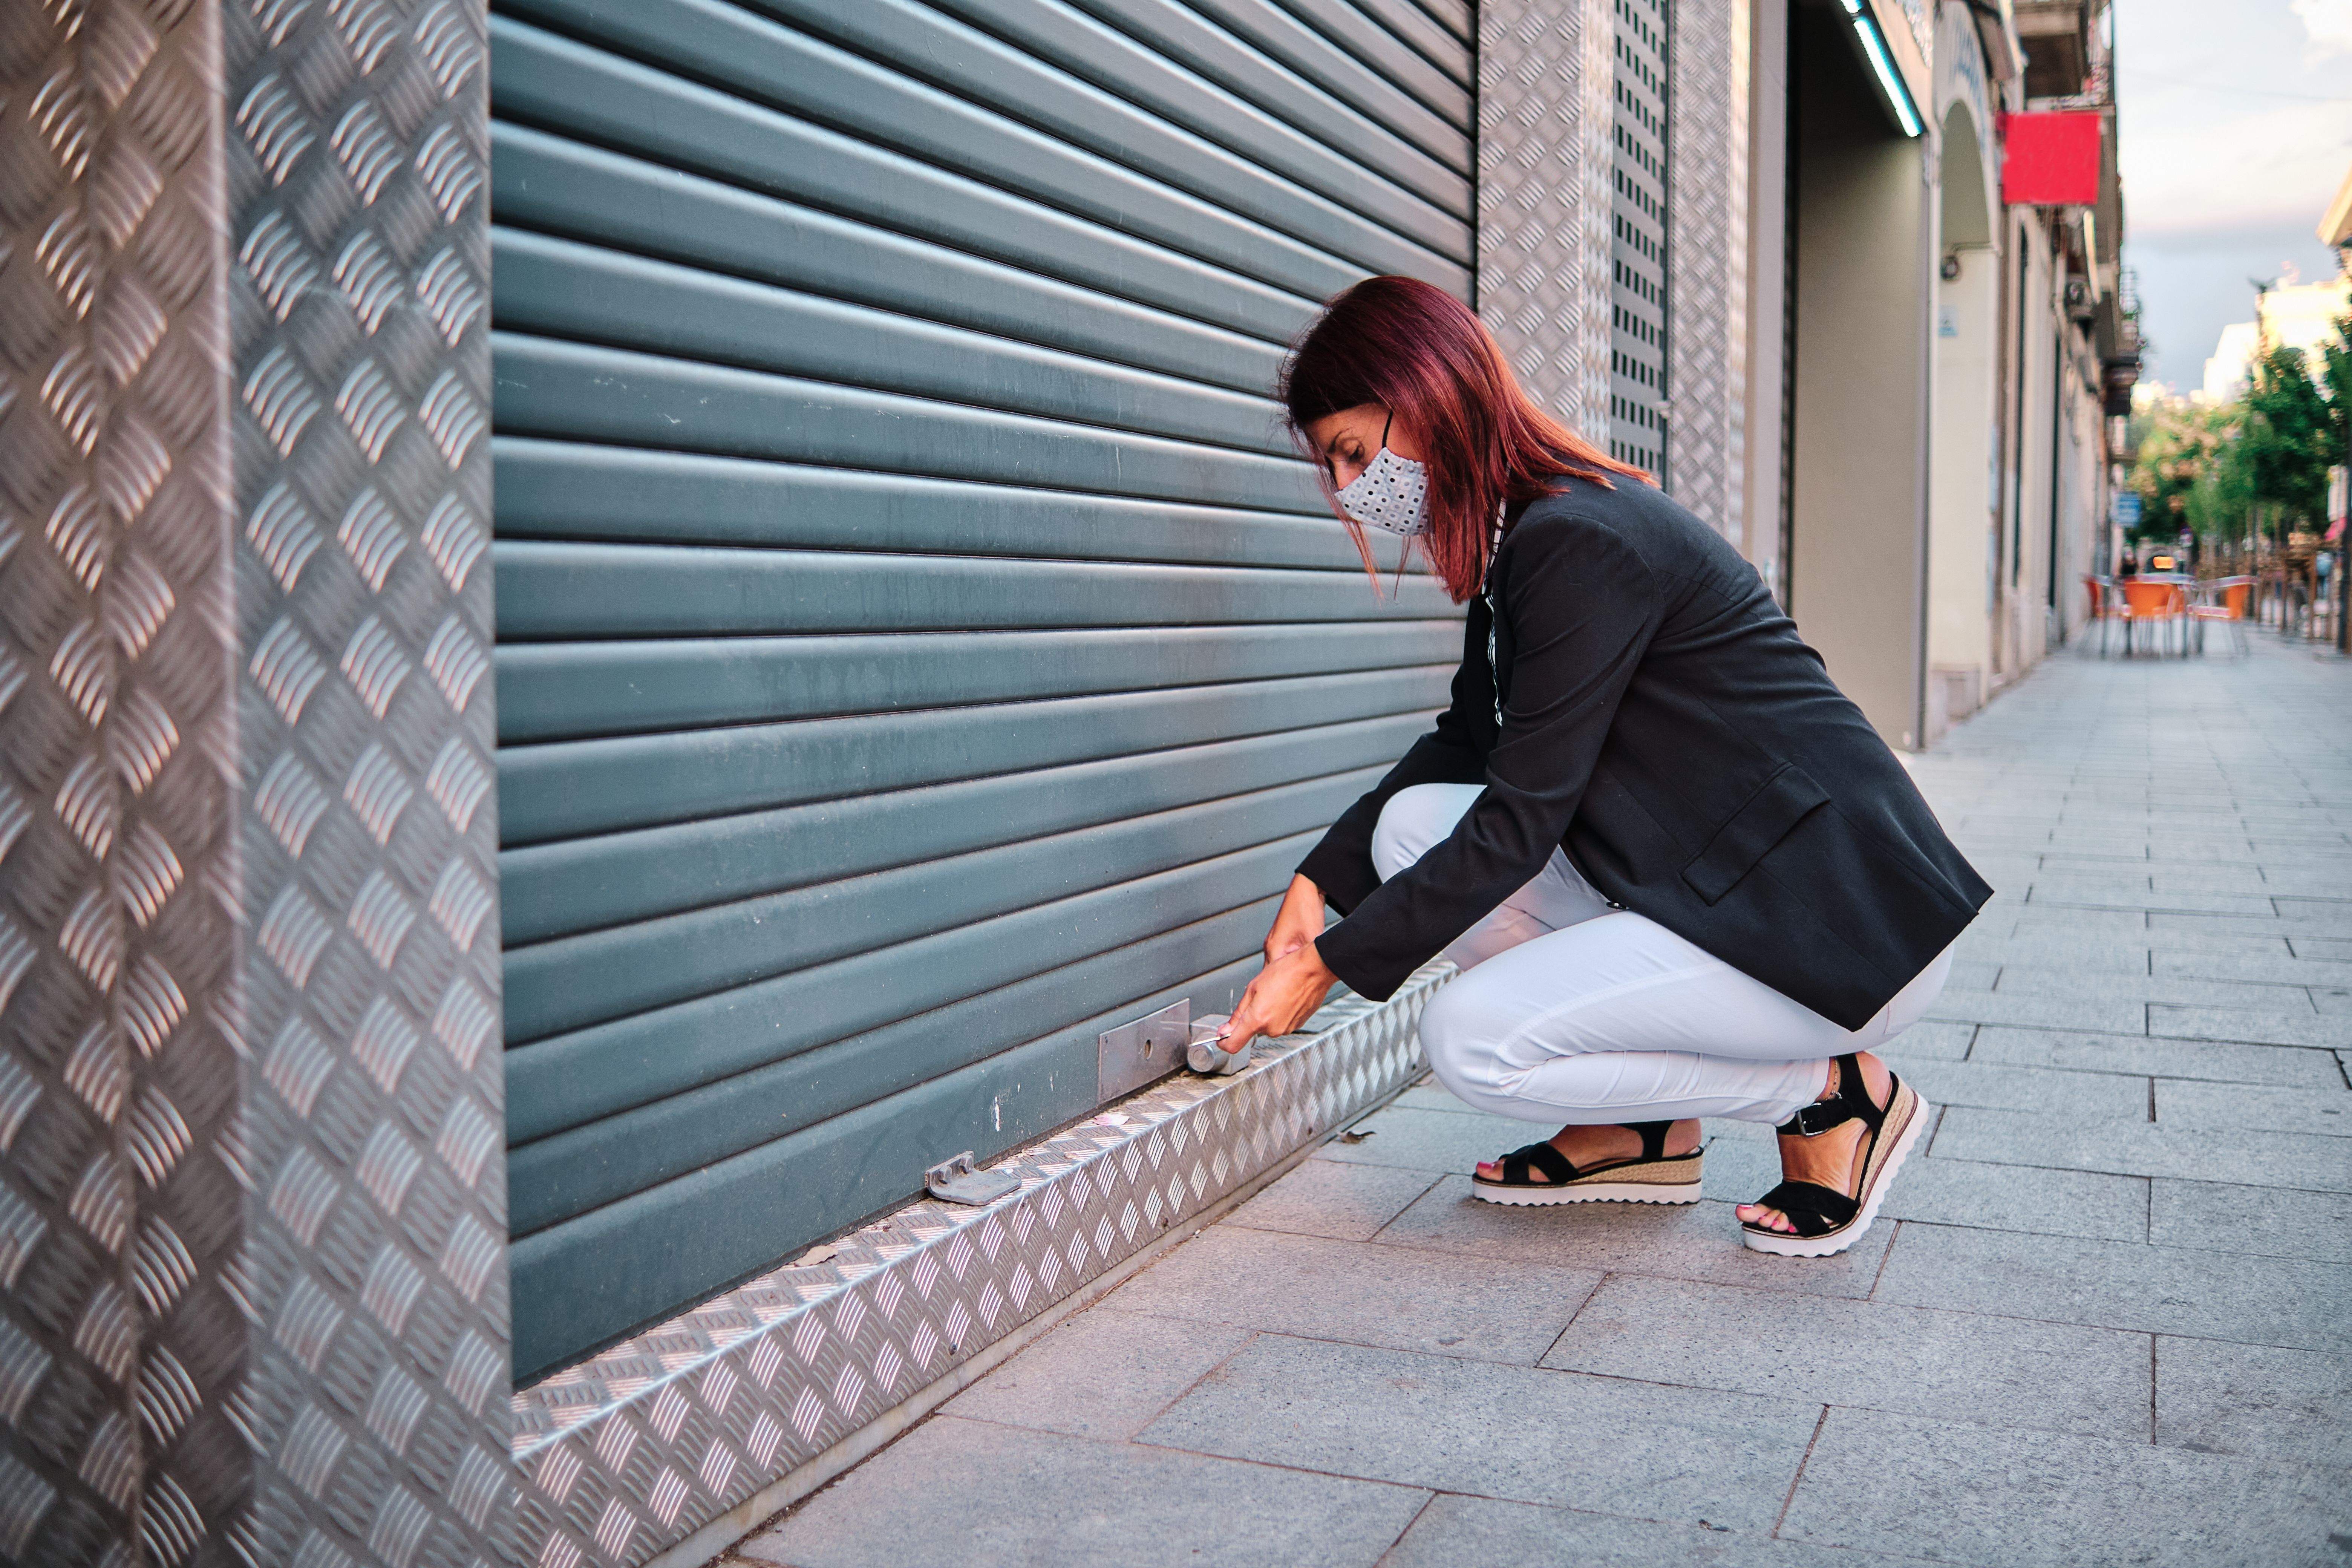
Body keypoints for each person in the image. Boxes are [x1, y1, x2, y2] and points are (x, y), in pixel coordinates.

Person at [1216, 278, 1992, 1257]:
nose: (1357, 487)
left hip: (1836, 929)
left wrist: (1331, 966)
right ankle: (1643, 1131)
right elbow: (1469, 740)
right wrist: (1321, 880)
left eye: (1360, 453)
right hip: (1733, 888)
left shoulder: (1575, 542)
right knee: (1408, 825)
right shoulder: (1525, 536)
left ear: (1433, 396)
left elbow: (1519, 822)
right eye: (1340, 468)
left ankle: (1835, 1095)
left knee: (1473, 1041)